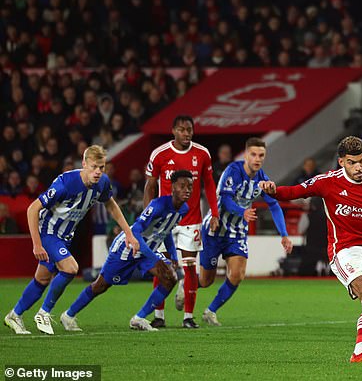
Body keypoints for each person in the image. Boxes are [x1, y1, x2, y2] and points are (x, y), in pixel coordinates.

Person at [259, 136, 362, 363]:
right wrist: (273, 190)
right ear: (342, 162)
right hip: (343, 250)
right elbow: (294, 192)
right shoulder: (327, 181)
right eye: (352, 162)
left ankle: (361, 351)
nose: (359, 167)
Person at [4, 145, 138, 335]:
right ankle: (44, 312)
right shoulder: (66, 183)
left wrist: (129, 233)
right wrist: (37, 244)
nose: (98, 172)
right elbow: (33, 209)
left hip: (65, 236)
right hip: (49, 232)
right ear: (84, 164)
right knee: (71, 268)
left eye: (102, 167)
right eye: (93, 167)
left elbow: (111, 205)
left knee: (42, 279)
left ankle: (14, 315)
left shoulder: (102, 183)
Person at [60, 171, 192, 331]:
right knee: (100, 286)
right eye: (182, 186)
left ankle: (138, 318)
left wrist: (172, 253)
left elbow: (167, 230)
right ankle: (68, 315)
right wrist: (154, 258)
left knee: (169, 278)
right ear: (172, 188)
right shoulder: (158, 205)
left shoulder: (184, 208)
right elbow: (135, 231)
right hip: (128, 246)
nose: (187, 190)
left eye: (190, 186)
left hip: (146, 251)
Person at [198, 137, 292, 326]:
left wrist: (284, 234)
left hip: (237, 232)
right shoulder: (233, 171)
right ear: (246, 154)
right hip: (216, 229)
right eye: (254, 154)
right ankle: (187, 283)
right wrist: (243, 212)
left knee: (237, 275)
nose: (257, 159)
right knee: (206, 280)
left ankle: (211, 311)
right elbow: (225, 200)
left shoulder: (262, 179)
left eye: (261, 155)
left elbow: (274, 205)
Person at [144, 115, 219, 329]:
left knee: (189, 267)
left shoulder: (202, 153)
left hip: (191, 220)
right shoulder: (160, 154)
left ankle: (188, 317)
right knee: (162, 267)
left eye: (189, 130)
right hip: (164, 221)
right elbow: (150, 186)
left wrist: (214, 212)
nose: (186, 134)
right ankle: (159, 315)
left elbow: (209, 184)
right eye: (182, 129)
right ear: (173, 131)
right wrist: (147, 216)